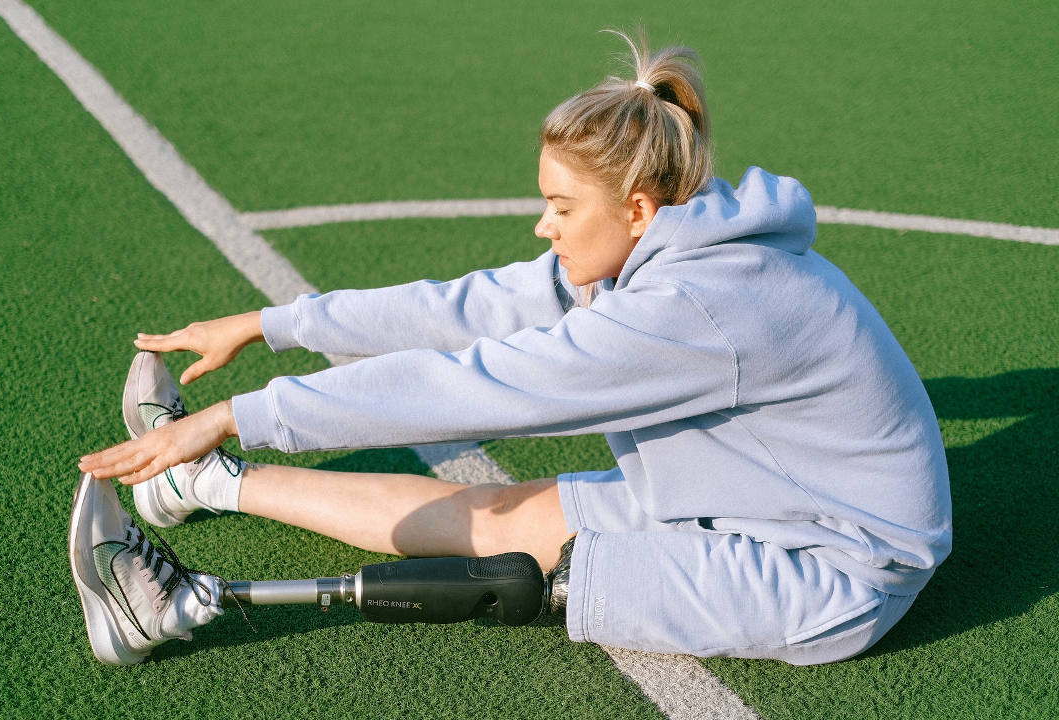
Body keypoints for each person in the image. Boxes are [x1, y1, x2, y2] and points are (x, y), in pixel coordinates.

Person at [72, 32, 951, 667]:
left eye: (561, 208)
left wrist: (242, 413)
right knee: (504, 515)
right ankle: (207, 485)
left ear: (636, 210)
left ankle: (175, 605)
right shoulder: (670, 243)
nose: (543, 225)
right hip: (758, 501)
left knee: (542, 565)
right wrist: (274, 326)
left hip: (836, 568)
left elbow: (480, 388)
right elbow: (473, 310)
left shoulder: (698, 307)